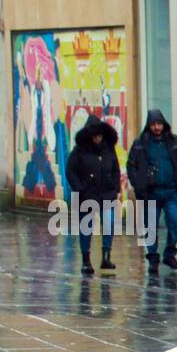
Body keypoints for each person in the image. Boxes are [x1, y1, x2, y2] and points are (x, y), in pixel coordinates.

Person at [126, 108, 177, 274]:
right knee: (151, 227)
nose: (157, 127)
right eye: (153, 124)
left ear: (164, 124)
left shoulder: (175, 142)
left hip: (171, 191)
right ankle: (152, 257)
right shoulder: (140, 144)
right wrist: (138, 184)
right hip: (150, 192)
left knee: (174, 223)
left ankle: (170, 253)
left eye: (159, 124)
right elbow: (131, 165)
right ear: (148, 126)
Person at [65, 114, 122, 276]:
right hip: (87, 195)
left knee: (109, 223)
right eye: (94, 136)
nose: (97, 138)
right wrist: (79, 188)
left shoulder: (109, 150)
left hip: (107, 193)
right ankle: (86, 259)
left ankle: (106, 256)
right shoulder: (79, 151)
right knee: (86, 227)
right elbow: (70, 171)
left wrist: (116, 187)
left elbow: (115, 169)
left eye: (99, 135)